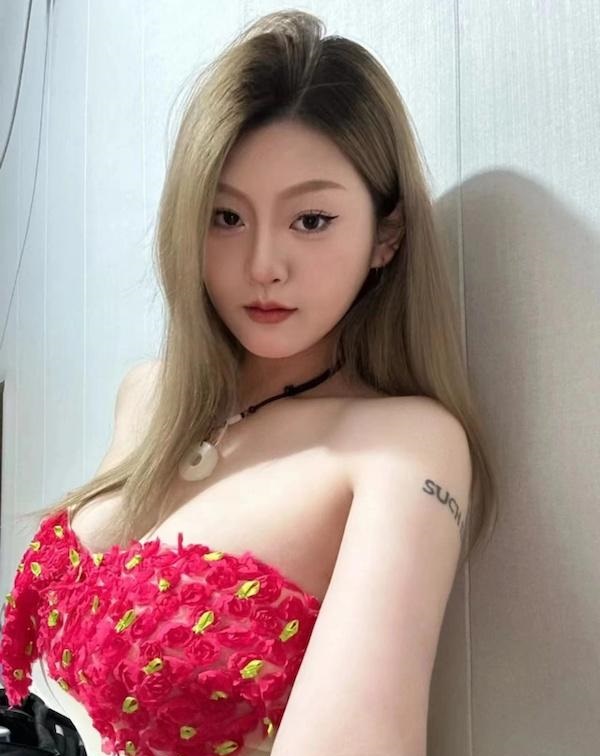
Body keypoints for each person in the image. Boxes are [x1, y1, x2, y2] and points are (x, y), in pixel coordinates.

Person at [0, 9, 498, 756]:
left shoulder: (403, 447)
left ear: (387, 233)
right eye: (226, 217)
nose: (263, 264)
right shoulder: (148, 397)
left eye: (311, 220)